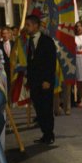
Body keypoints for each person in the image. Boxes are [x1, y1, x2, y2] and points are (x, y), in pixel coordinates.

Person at [25, 14, 57, 144]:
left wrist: (48, 80)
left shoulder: (47, 41)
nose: (26, 28)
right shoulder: (29, 42)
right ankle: (45, 133)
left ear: (36, 25)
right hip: (34, 82)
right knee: (38, 108)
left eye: (28, 25)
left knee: (46, 109)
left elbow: (51, 62)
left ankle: (49, 134)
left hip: (45, 82)